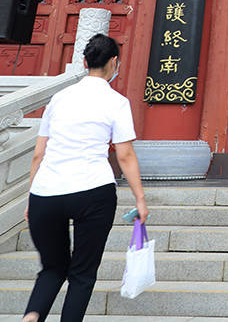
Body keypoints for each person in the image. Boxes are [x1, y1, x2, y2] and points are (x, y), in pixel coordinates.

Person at [22, 34, 149, 322]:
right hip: (93, 190)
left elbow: (39, 154)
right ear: (114, 62)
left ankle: (32, 315)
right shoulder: (116, 102)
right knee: (82, 273)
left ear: (84, 62)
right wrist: (140, 199)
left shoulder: (59, 98)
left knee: (52, 268)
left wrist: (32, 197)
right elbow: (125, 155)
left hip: (46, 192)